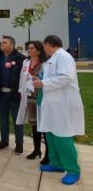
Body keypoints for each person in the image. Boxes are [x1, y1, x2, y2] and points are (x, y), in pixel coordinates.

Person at [33, 35, 84, 185]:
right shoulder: (53, 58)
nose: (43, 49)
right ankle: (57, 163)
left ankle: (73, 170)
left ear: (49, 44)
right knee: (50, 134)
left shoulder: (63, 56)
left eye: (44, 46)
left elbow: (66, 77)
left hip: (63, 104)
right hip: (51, 104)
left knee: (62, 136)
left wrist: (43, 83)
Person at [0, 36, 26, 154]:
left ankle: (19, 143)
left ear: (12, 44)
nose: (1, 44)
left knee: (17, 120)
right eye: (1, 42)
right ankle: (4, 141)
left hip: (15, 94)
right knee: (3, 119)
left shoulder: (21, 58)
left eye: (4, 42)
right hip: (1, 94)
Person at [16, 41, 49, 164]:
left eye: (31, 48)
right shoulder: (26, 62)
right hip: (29, 97)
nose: (28, 50)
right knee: (34, 125)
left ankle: (48, 154)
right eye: (28, 48)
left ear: (39, 50)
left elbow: (48, 79)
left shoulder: (45, 64)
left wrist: (37, 78)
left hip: (41, 97)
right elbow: (21, 77)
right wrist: (21, 91)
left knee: (44, 126)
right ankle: (36, 150)